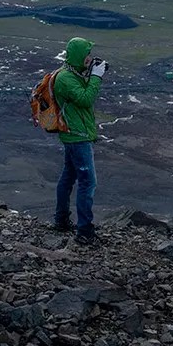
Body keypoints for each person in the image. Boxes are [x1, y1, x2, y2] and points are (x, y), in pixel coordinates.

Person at [52, 36, 107, 245]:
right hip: (77, 137)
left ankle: (61, 220)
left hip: (75, 135)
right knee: (88, 182)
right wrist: (96, 77)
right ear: (78, 55)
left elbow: (81, 96)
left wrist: (91, 71)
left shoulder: (70, 73)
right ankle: (84, 231)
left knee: (68, 177)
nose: (89, 57)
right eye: (87, 54)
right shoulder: (65, 78)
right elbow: (86, 99)